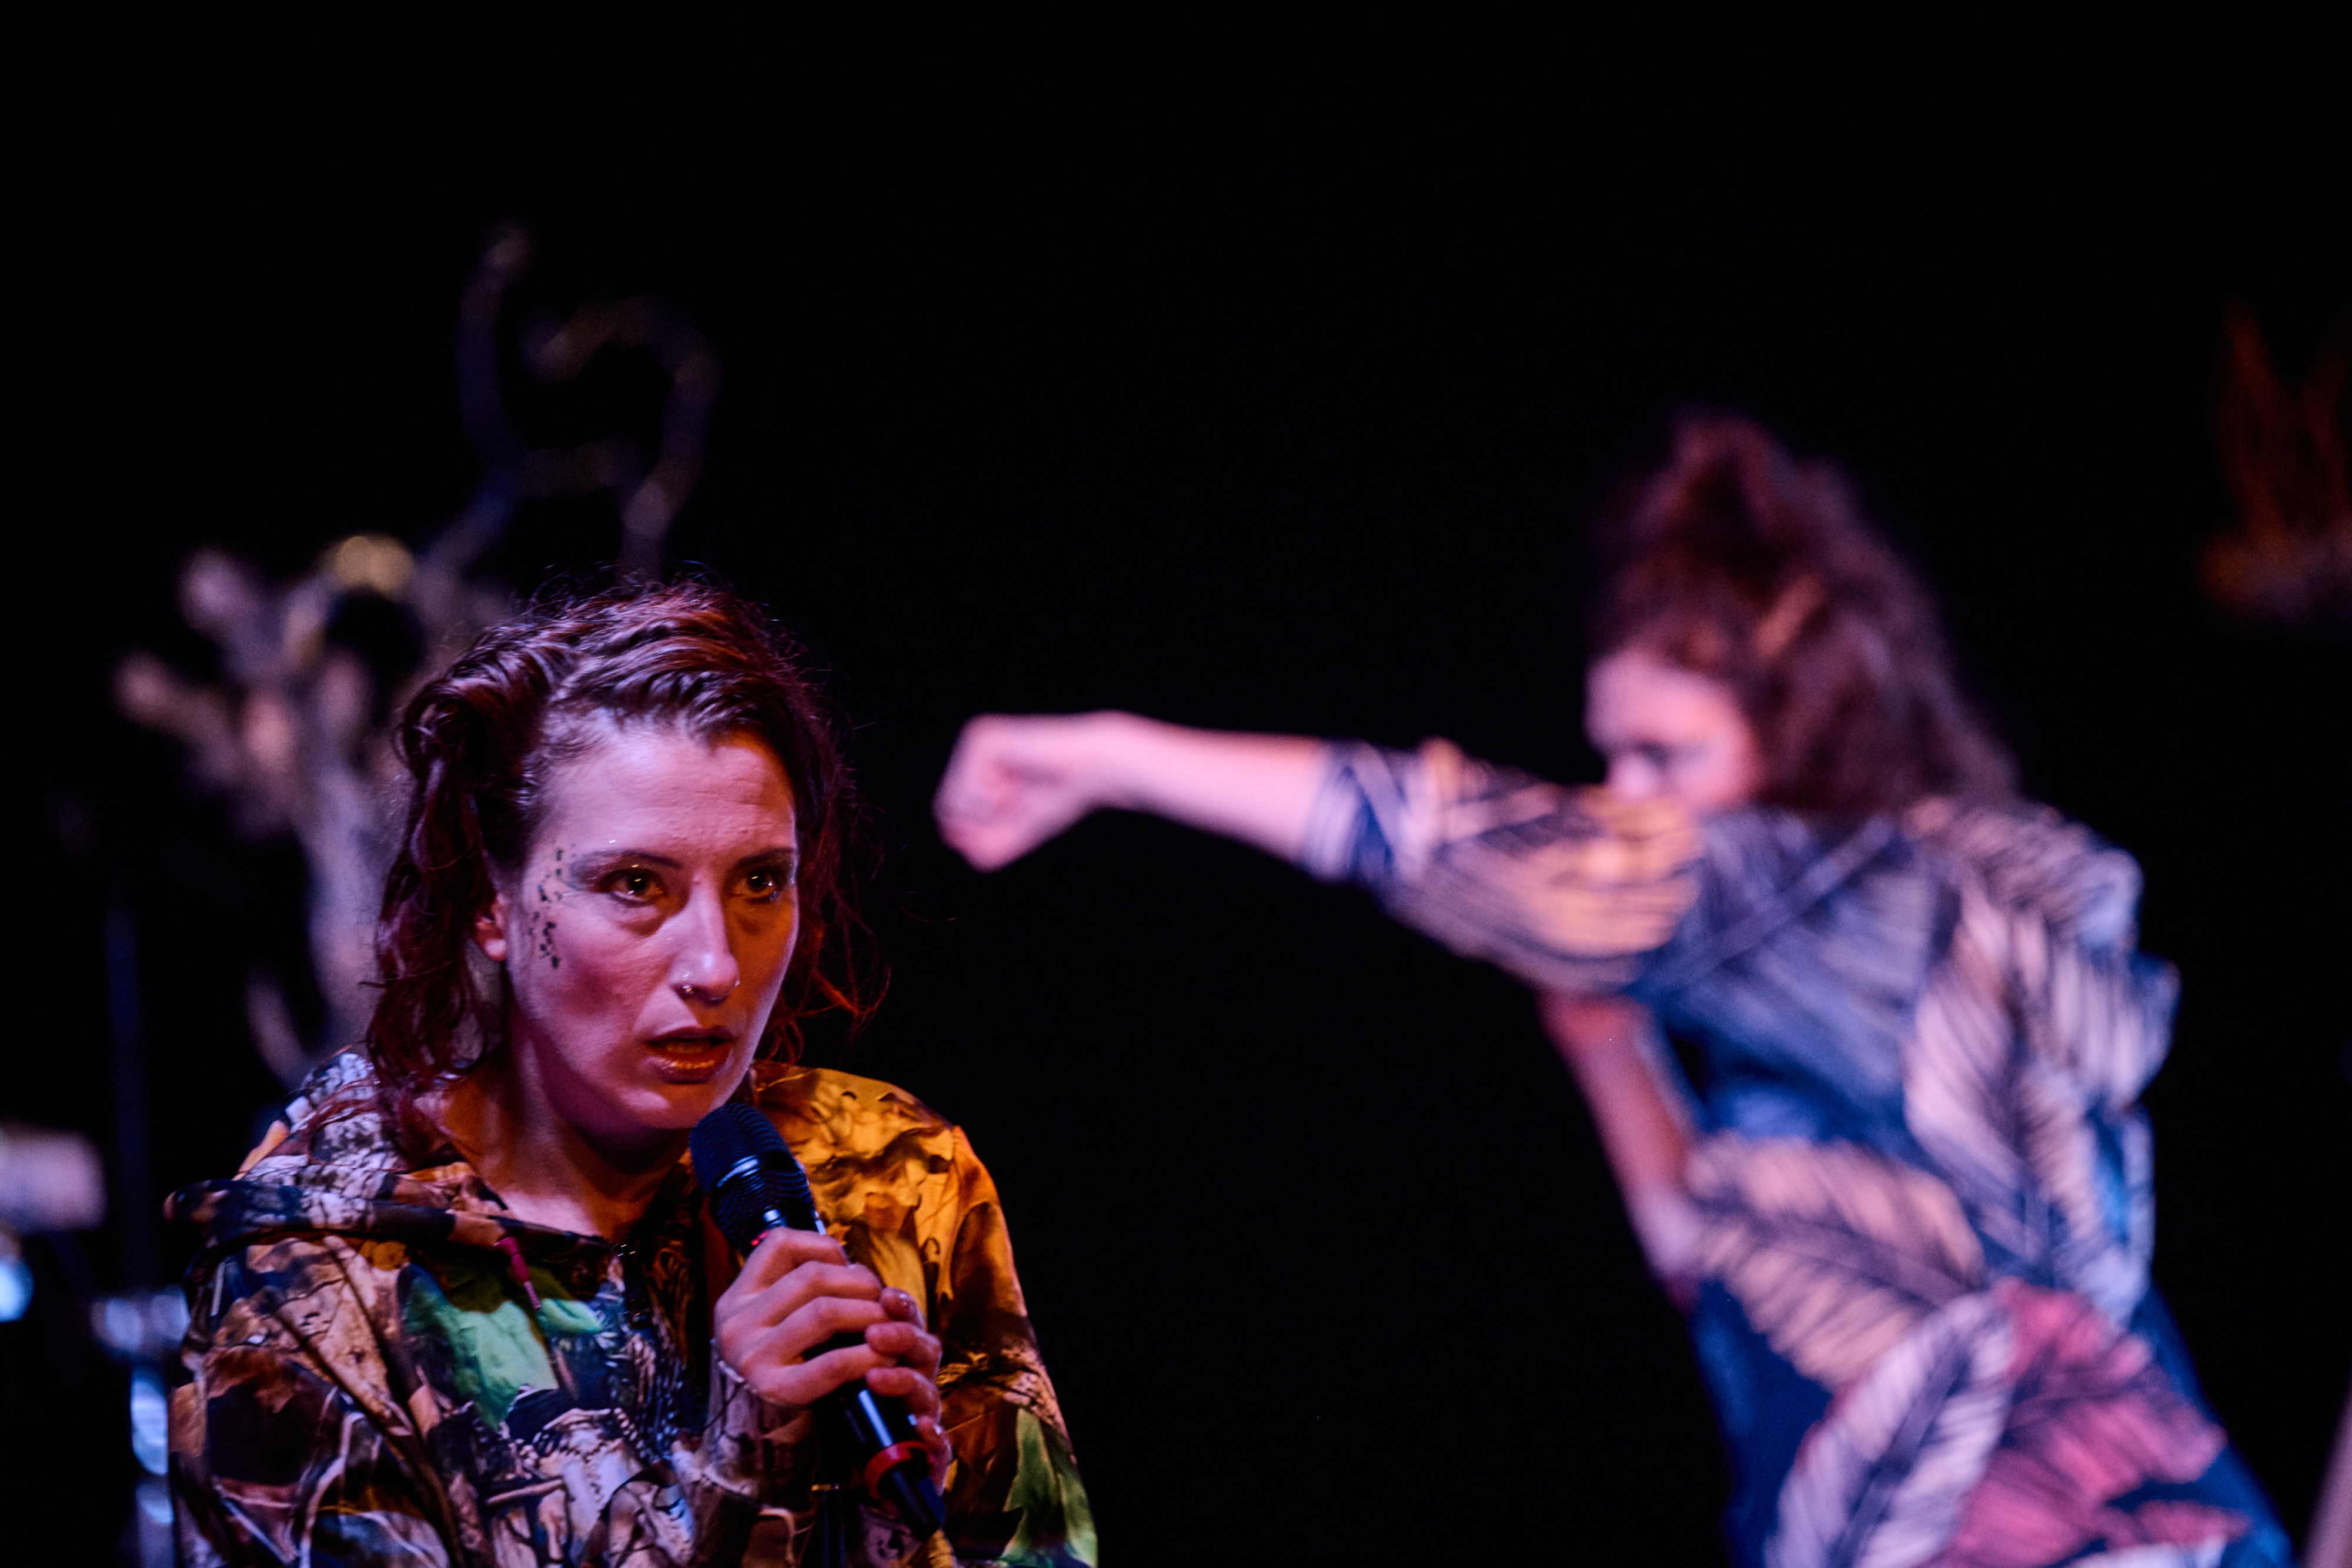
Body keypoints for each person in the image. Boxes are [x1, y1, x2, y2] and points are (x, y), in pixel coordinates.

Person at [933, 416, 2293, 1567]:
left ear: (1808, 710)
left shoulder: (1900, 900)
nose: (1625, 798)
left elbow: (1468, 836)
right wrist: (1601, 1046)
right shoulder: (1802, 1018)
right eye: (1610, 757)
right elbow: (1720, 1274)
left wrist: (1108, 755)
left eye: (1665, 754)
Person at [168, 582, 1095, 1568]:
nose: (716, 966)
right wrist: (735, 1473)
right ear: (491, 902)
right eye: (636, 885)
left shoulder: (891, 1180)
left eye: (760, 883)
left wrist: (895, 1534)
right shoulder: (321, 1278)